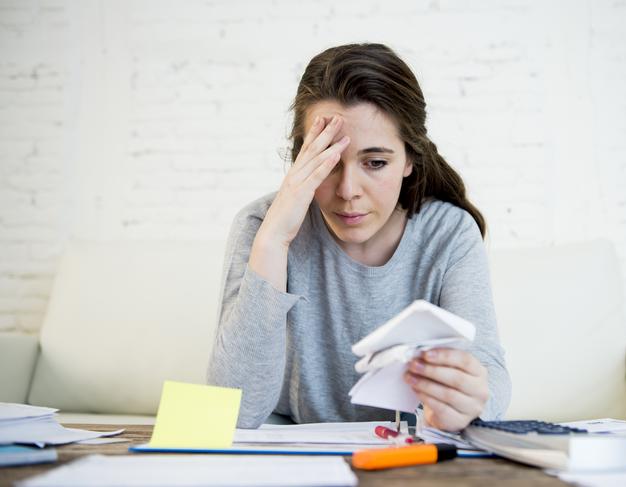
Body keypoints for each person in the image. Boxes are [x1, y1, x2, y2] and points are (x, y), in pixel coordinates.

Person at [207, 43, 511, 431]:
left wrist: (468, 400)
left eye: (376, 163)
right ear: (302, 158)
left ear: (410, 159)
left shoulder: (448, 233)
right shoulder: (261, 225)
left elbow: (491, 377)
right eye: (328, 160)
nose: (348, 189)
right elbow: (230, 413)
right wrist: (273, 242)